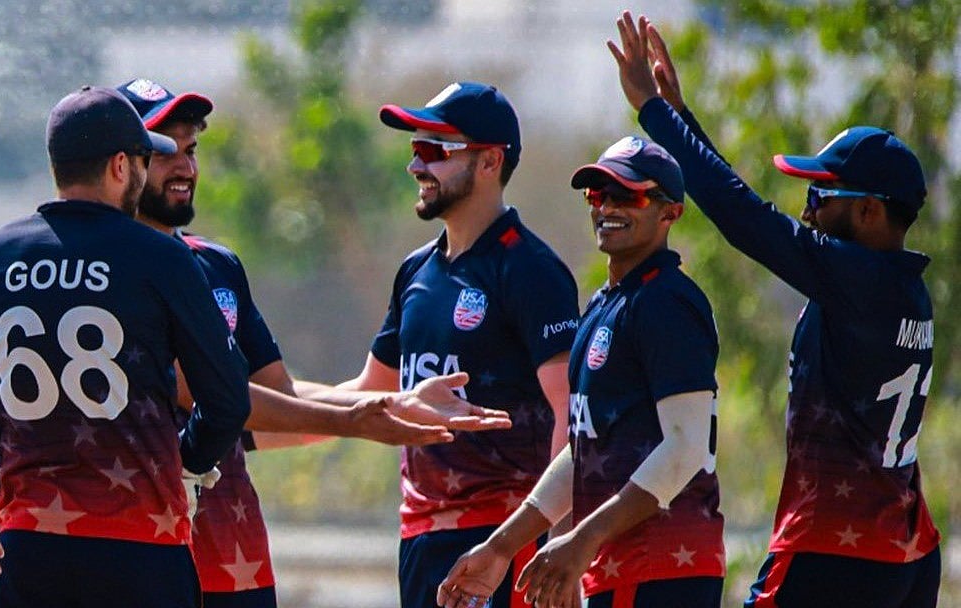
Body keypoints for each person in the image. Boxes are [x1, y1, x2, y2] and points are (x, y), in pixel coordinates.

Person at [116, 77, 513, 608]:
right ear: (122, 163)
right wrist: (362, 418)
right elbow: (207, 394)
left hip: (231, 552)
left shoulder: (216, 265)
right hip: (132, 545)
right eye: (166, 151)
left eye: (191, 150)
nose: (186, 167)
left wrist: (393, 405)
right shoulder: (103, 270)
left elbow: (279, 399)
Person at [609, 11, 940, 607]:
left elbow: (745, 217)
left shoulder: (858, 278)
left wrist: (655, 114)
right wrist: (683, 122)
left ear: (869, 211)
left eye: (821, 195)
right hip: (904, 545)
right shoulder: (899, 282)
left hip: (832, 551)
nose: (807, 211)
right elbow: (743, 204)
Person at [0, 85, 259, 608]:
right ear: (121, 165)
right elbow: (230, 399)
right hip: (140, 546)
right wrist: (188, 464)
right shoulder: (162, 257)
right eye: (144, 158)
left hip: (27, 548)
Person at [438, 137, 724, 608]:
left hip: (663, 567)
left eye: (627, 196)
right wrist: (502, 547)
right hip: (617, 569)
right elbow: (585, 448)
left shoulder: (667, 302)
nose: (607, 207)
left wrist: (582, 540)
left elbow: (686, 445)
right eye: (598, 195)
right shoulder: (607, 302)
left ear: (670, 213)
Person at [341, 81, 581, 608]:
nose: (416, 167)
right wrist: (248, 412)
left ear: (490, 161)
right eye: (414, 150)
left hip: (501, 541)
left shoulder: (531, 270)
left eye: (434, 151)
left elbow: (574, 422)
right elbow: (367, 396)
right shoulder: (416, 272)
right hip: (420, 542)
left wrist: (553, 543)